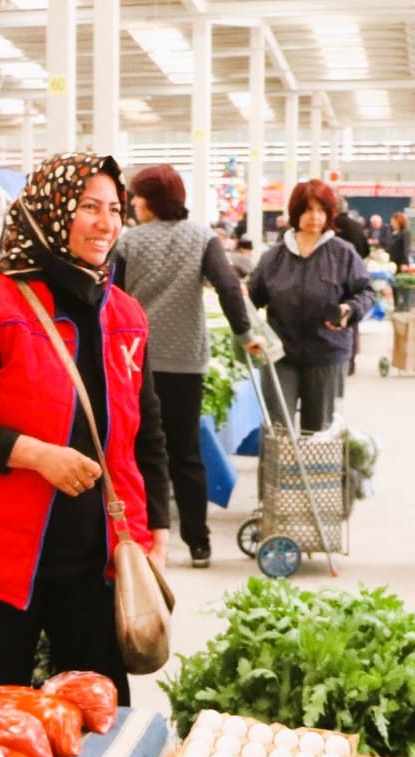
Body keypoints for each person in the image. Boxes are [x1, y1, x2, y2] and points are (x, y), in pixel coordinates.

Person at [0, 151, 170, 705]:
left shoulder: (124, 314)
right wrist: (35, 455)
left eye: (115, 209)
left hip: (98, 560)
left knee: (102, 713)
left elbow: (145, 432)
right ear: (52, 210)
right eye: (88, 207)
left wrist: (157, 534)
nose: (106, 223)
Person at [117, 164, 260, 569]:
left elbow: (109, 295)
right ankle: (199, 543)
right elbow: (228, 286)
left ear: (149, 201)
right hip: (185, 362)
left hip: (135, 361)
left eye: (135, 198)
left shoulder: (129, 243)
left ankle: (144, 537)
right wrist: (245, 333)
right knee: (186, 450)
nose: (132, 205)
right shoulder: (201, 237)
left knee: (140, 449)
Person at [247, 179, 375, 432]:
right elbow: (253, 298)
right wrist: (249, 325)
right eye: (307, 209)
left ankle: (318, 474)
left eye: (321, 210)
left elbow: (366, 292)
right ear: (295, 213)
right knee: (277, 430)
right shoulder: (274, 257)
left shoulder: (343, 253)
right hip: (281, 354)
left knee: (320, 432)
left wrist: (349, 309)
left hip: (327, 353)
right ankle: (278, 473)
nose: (315, 217)